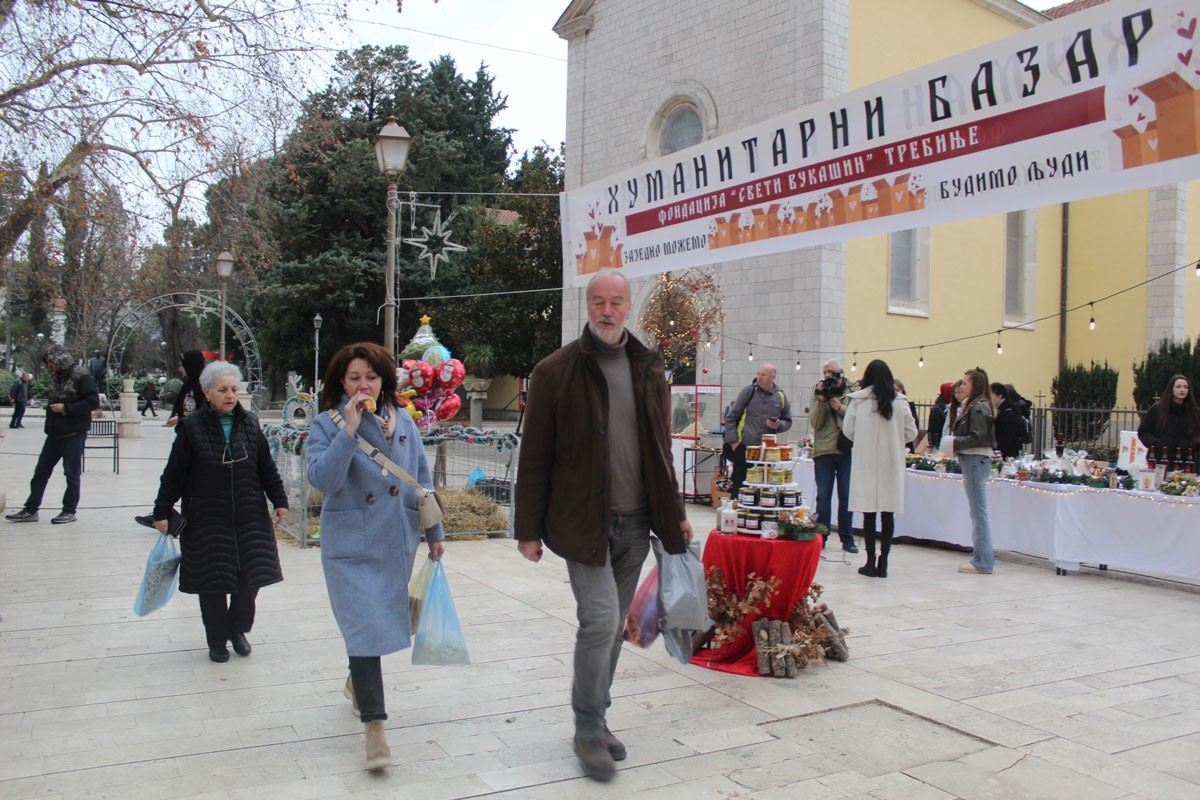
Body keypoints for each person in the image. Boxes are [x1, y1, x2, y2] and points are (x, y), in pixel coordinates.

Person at [516, 269, 693, 782]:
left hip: (638, 522)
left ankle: (597, 714)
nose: (607, 310)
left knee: (615, 625)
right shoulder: (555, 371)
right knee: (599, 620)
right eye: (598, 301)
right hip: (583, 523)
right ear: (587, 305)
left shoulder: (648, 366)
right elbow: (535, 456)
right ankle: (588, 726)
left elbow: (660, 449)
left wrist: (676, 514)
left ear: (628, 306)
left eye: (616, 301)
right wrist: (528, 528)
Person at [306, 342, 446, 772]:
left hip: (394, 540)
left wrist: (434, 532)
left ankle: (356, 681)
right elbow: (322, 480)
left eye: (370, 376)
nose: (362, 384)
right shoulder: (327, 424)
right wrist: (348, 431)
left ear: (383, 380)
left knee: (375, 629)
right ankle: (375, 727)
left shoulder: (404, 420)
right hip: (349, 545)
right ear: (341, 383)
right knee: (364, 626)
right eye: (353, 378)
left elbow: (421, 478)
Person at [151, 361, 287, 661]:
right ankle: (216, 640)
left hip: (249, 517)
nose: (230, 395)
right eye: (223, 390)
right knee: (211, 585)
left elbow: (266, 467)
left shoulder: (251, 423)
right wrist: (162, 511)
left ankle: (237, 629)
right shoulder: (191, 428)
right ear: (207, 392)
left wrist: (279, 500)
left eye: (234, 389)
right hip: (206, 520)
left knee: (249, 581)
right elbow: (173, 474)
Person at [5, 345, 99, 524]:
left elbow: (92, 401)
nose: (49, 366)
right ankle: (31, 509)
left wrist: (66, 409)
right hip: (54, 433)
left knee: (71, 473)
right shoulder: (56, 376)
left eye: (51, 362)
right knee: (41, 471)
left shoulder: (82, 376)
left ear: (60, 360)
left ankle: (69, 510)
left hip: (74, 432)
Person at [844, 360, 917, 578]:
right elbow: (911, 433)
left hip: (866, 461)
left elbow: (848, 430)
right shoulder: (900, 402)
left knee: (869, 513)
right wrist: (895, 440)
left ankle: (870, 561)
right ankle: (884, 561)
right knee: (888, 513)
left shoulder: (858, 401)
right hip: (890, 462)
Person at [948, 368, 997, 574]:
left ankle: (983, 560)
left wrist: (954, 442)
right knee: (977, 511)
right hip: (974, 459)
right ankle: (982, 558)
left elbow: (977, 436)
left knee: (978, 511)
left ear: (974, 385)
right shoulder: (975, 406)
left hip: (975, 459)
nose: (962, 386)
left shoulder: (977, 408)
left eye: (965, 383)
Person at [809, 358, 857, 552]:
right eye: (825, 373)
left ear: (841, 374)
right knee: (823, 496)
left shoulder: (853, 392)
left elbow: (858, 418)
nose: (828, 376)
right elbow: (815, 423)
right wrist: (822, 402)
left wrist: (840, 407)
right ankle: (822, 536)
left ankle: (847, 538)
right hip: (824, 450)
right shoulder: (819, 391)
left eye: (832, 373)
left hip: (846, 450)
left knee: (846, 496)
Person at [722, 363, 791, 495]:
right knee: (740, 488)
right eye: (758, 374)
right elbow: (731, 417)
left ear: (773, 377)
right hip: (744, 448)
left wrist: (778, 425)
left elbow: (788, 421)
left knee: (763, 489)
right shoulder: (748, 392)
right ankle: (737, 513)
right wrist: (734, 443)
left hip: (767, 453)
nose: (759, 377)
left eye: (763, 375)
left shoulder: (780, 396)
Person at [1136, 374, 1200, 466]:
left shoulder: (1194, 411)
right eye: (1178, 387)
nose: (1182, 390)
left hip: (1185, 459)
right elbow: (1144, 432)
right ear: (1171, 389)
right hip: (1160, 458)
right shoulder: (1158, 409)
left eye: (1185, 387)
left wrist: (1192, 445)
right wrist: (1156, 443)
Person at [166, 350, 207, 428]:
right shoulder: (187, 384)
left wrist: (180, 419)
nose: (180, 369)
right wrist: (174, 416)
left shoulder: (203, 387)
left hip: (198, 434)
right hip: (185, 432)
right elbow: (179, 403)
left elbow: (203, 414)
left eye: (182, 365)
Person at [990, 382, 1023, 460]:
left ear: (999, 396)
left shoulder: (1007, 412)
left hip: (1007, 453)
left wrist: (999, 453)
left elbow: (1005, 436)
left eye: (991, 395)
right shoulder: (999, 409)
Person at [893, 378, 919, 453]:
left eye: (897, 390)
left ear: (902, 390)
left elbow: (915, 423)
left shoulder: (908, 404)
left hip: (906, 440)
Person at [926, 382, 953, 452]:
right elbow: (933, 431)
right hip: (941, 445)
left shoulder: (951, 406)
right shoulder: (937, 409)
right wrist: (936, 448)